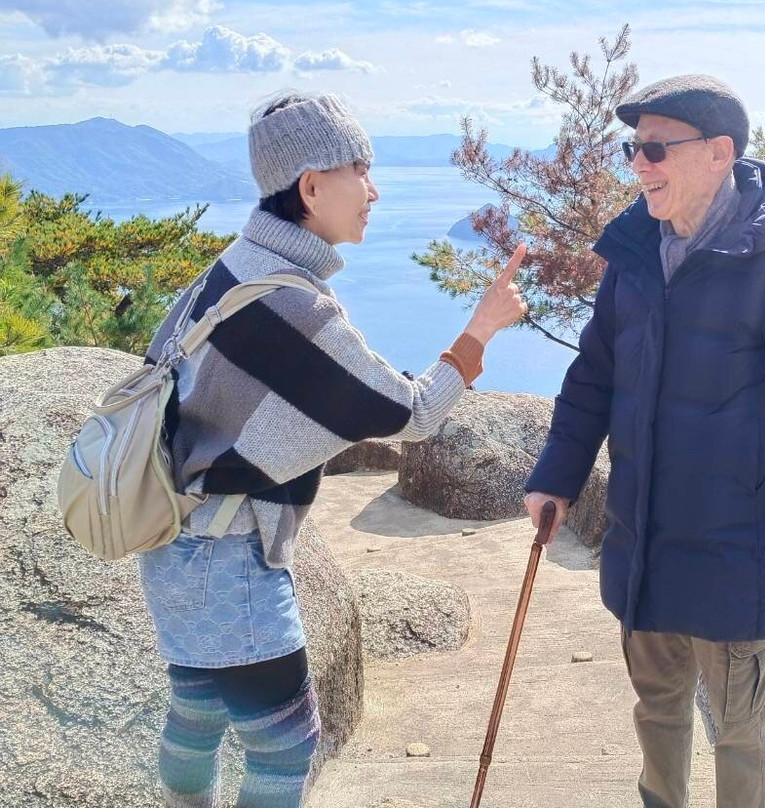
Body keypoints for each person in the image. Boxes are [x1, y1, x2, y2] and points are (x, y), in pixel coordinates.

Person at [138, 91, 527, 808]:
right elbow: (410, 414)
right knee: (286, 749)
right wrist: (480, 332)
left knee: (196, 715)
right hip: (232, 560)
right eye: (361, 168)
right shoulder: (294, 304)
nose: (374, 190)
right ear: (311, 186)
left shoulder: (233, 267)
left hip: (173, 545)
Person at [524, 75, 765, 808]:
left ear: (718, 153)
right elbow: (592, 379)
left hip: (739, 551)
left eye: (654, 148)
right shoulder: (636, 257)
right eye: (633, 149)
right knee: (656, 712)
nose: (638, 165)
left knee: (740, 731)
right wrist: (555, 476)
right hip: (645, 542)